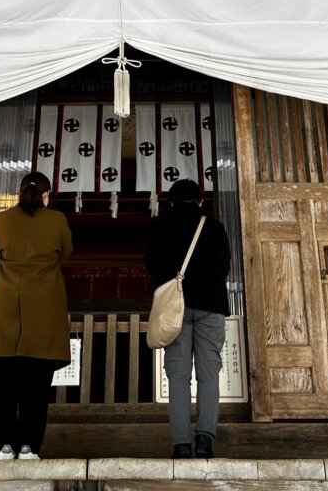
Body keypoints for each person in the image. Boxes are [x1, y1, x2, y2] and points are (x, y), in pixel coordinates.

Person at [0, 171, 72, 461]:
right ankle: (30, 447)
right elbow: (66, 252)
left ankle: (4, 446)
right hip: (43, 307)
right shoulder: (56, 220)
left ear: (20, 193)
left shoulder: (3, 220)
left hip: (7, 306)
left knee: (4, 381)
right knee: (36, 384)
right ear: (46, 195)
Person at [146, 178, 231, 459]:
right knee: (209, 374)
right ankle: (205, 439)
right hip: (210, 307)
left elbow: (153, 266)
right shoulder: (215, 227)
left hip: (175, 311)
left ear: (171, 202)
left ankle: (181, 444)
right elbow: (225, 267)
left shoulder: (160, 227)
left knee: (179, 376)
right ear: (200, 200)